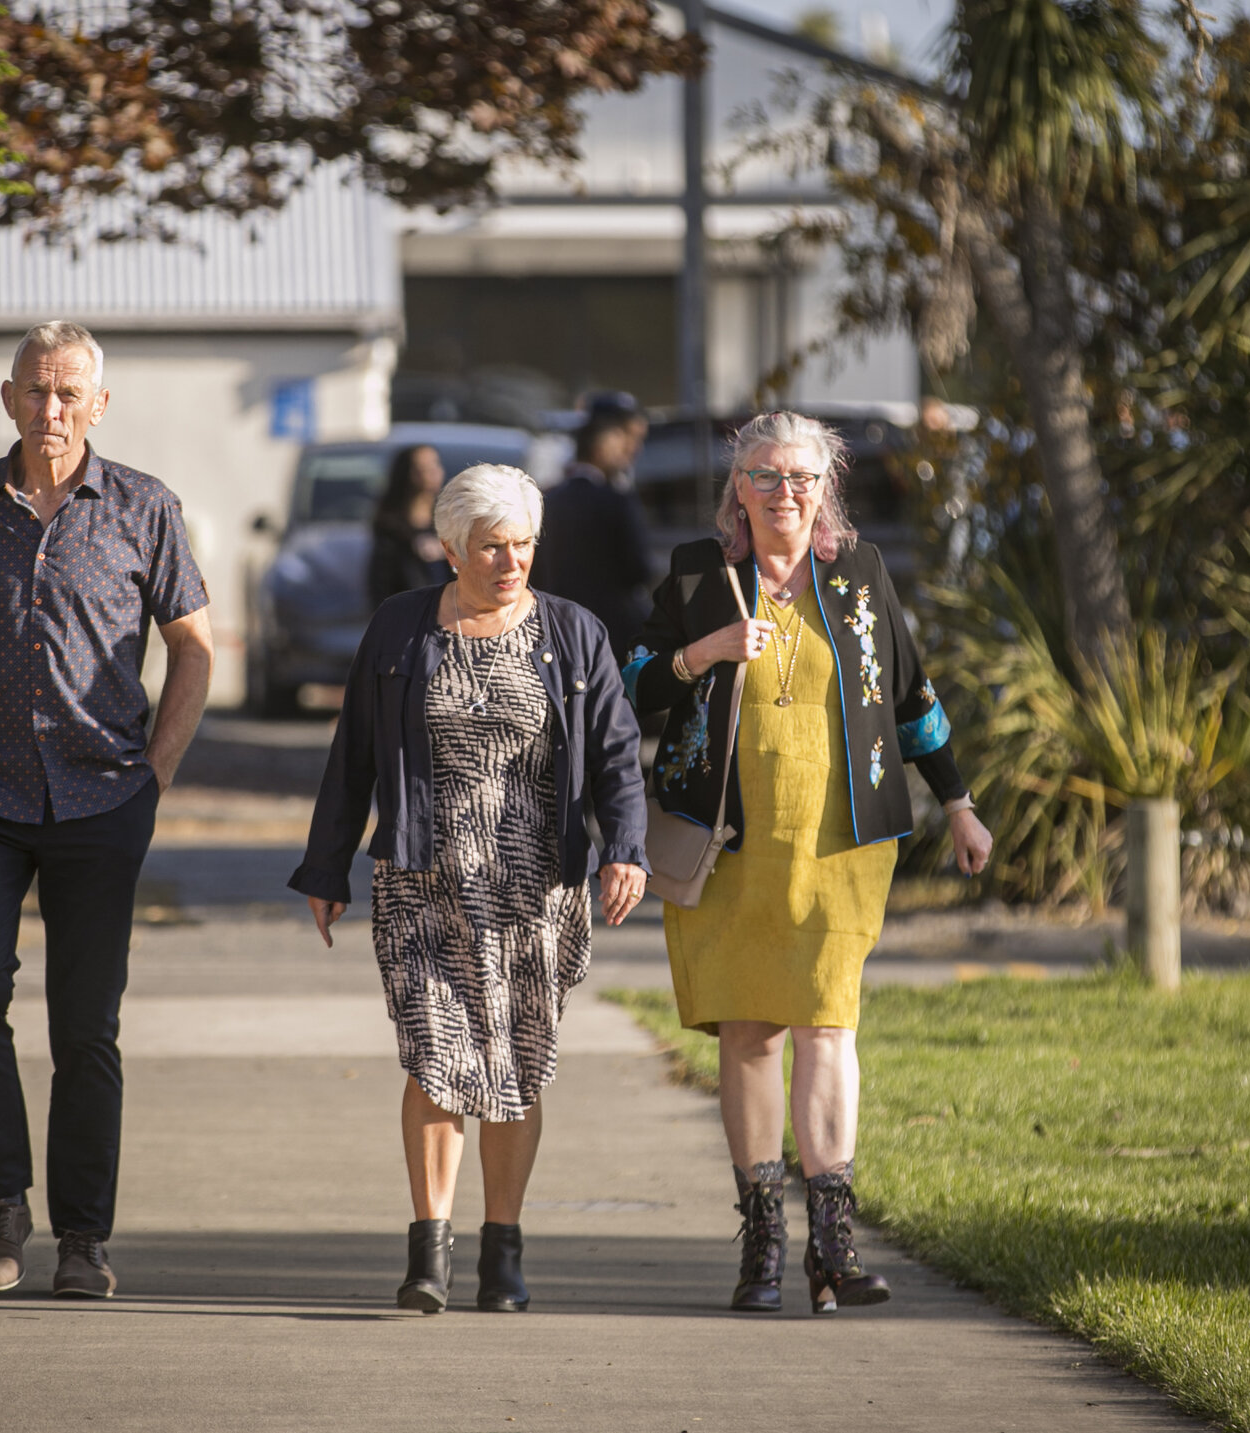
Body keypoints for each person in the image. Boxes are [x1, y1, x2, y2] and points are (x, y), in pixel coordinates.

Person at [621, 410, 993, 1316]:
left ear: (825, 490)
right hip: (730, 844)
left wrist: (957, 801)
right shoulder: (699, 576)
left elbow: (911, 697)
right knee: (751, 1033)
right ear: (736, 491)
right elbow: (631, 687)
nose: (784, 493)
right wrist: (703, 652)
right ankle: (763, 1245)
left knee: (829, 1026)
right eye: (765, 477)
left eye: (801, 478)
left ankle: (834, 1243)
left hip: (842, 841)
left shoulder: (859, 578)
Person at [0, 320, 214, 1299]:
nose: (51, 409)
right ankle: (0, 1202)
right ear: (7, 396)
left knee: (85, 1023)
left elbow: (193, 645)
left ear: (98, 405)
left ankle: (81, 1236)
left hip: (102, 793)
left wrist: (155, 771)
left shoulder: (143, 506)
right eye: (35, 390)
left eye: (69, 393)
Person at [290, 463, 649, 1315]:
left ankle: (505, 1250)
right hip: (423, 878)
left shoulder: (573, 633)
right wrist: (327, 864)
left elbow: (615, 755)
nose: (511, 560)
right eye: (492, 546)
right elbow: (356, 756)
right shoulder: (400, 630)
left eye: (523, 544)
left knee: (517, 1068)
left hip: (533, 889)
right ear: (452, 549)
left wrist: (624, 849)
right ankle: (431, 1251)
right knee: (436, 1057)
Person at [531, 390, 652, 659]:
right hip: (610, 639)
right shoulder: (615, 500)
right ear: (606, 439)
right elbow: (638, 570)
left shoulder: (548, 497)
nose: (634, 449)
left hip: (556, 634)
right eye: (630, 438)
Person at [367, 444, 451, 607]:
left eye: (435, 464)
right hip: (411, 613)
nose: (432, 473)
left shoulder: (449, 518)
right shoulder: (390, 527)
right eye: (421, 468)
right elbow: (381, 582)